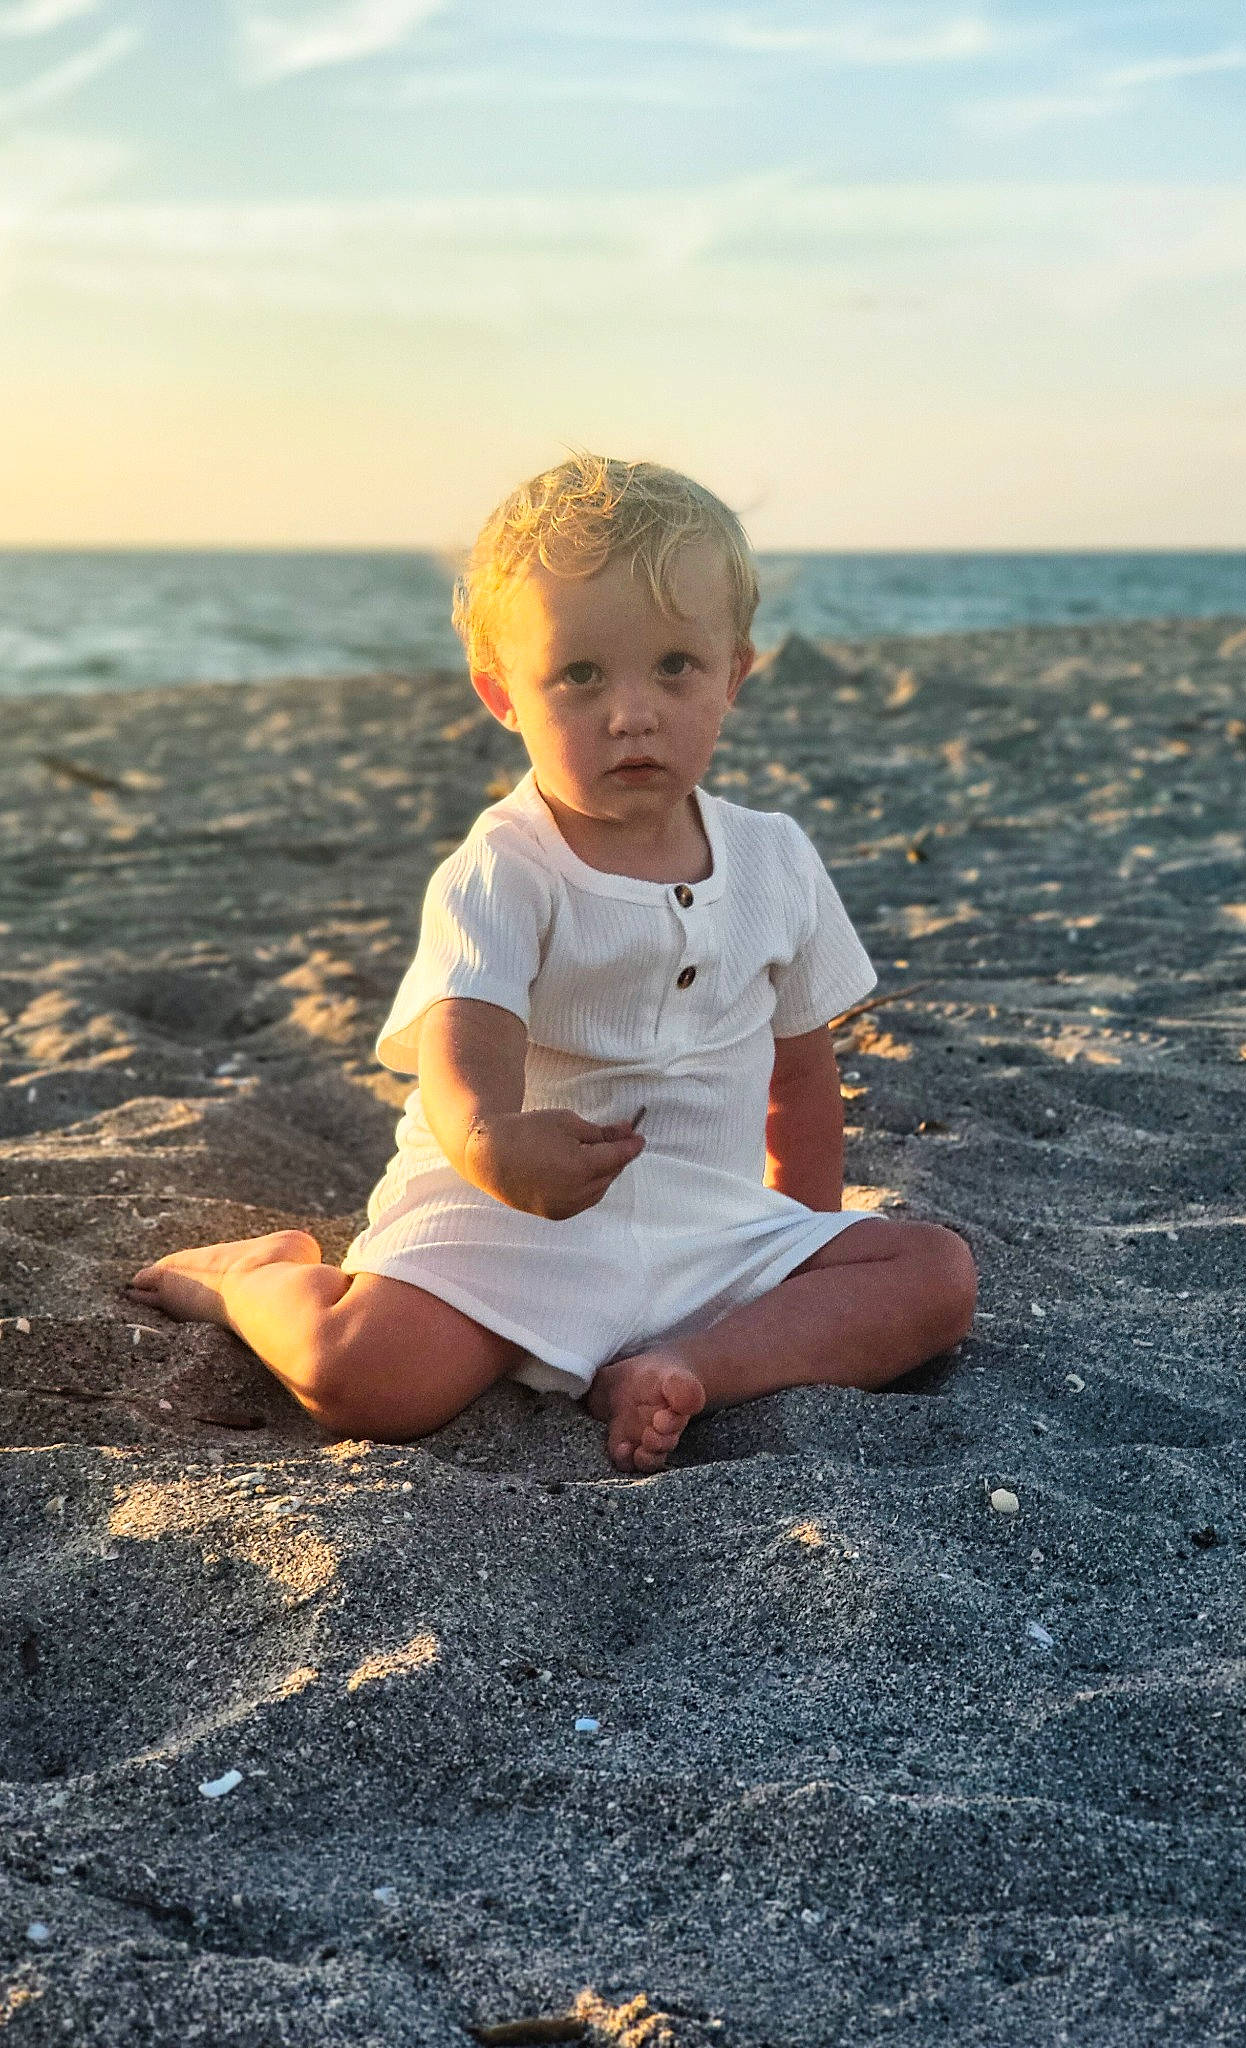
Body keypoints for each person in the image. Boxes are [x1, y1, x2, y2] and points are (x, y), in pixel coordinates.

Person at [128, 456, 976, 1470]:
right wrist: (496, 1147)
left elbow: (800, 1076)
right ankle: (252, 1279)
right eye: (581, 676)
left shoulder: (776, 859)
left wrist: (795, 1250)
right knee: (362, 1374)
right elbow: (463, 1045)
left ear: (734, 674)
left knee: (934, 1274)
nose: (633, 712)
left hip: (707, 1225)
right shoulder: (507, 864)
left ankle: (686, 1366)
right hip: (518, 1220)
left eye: (675, 666)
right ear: (503, 693)